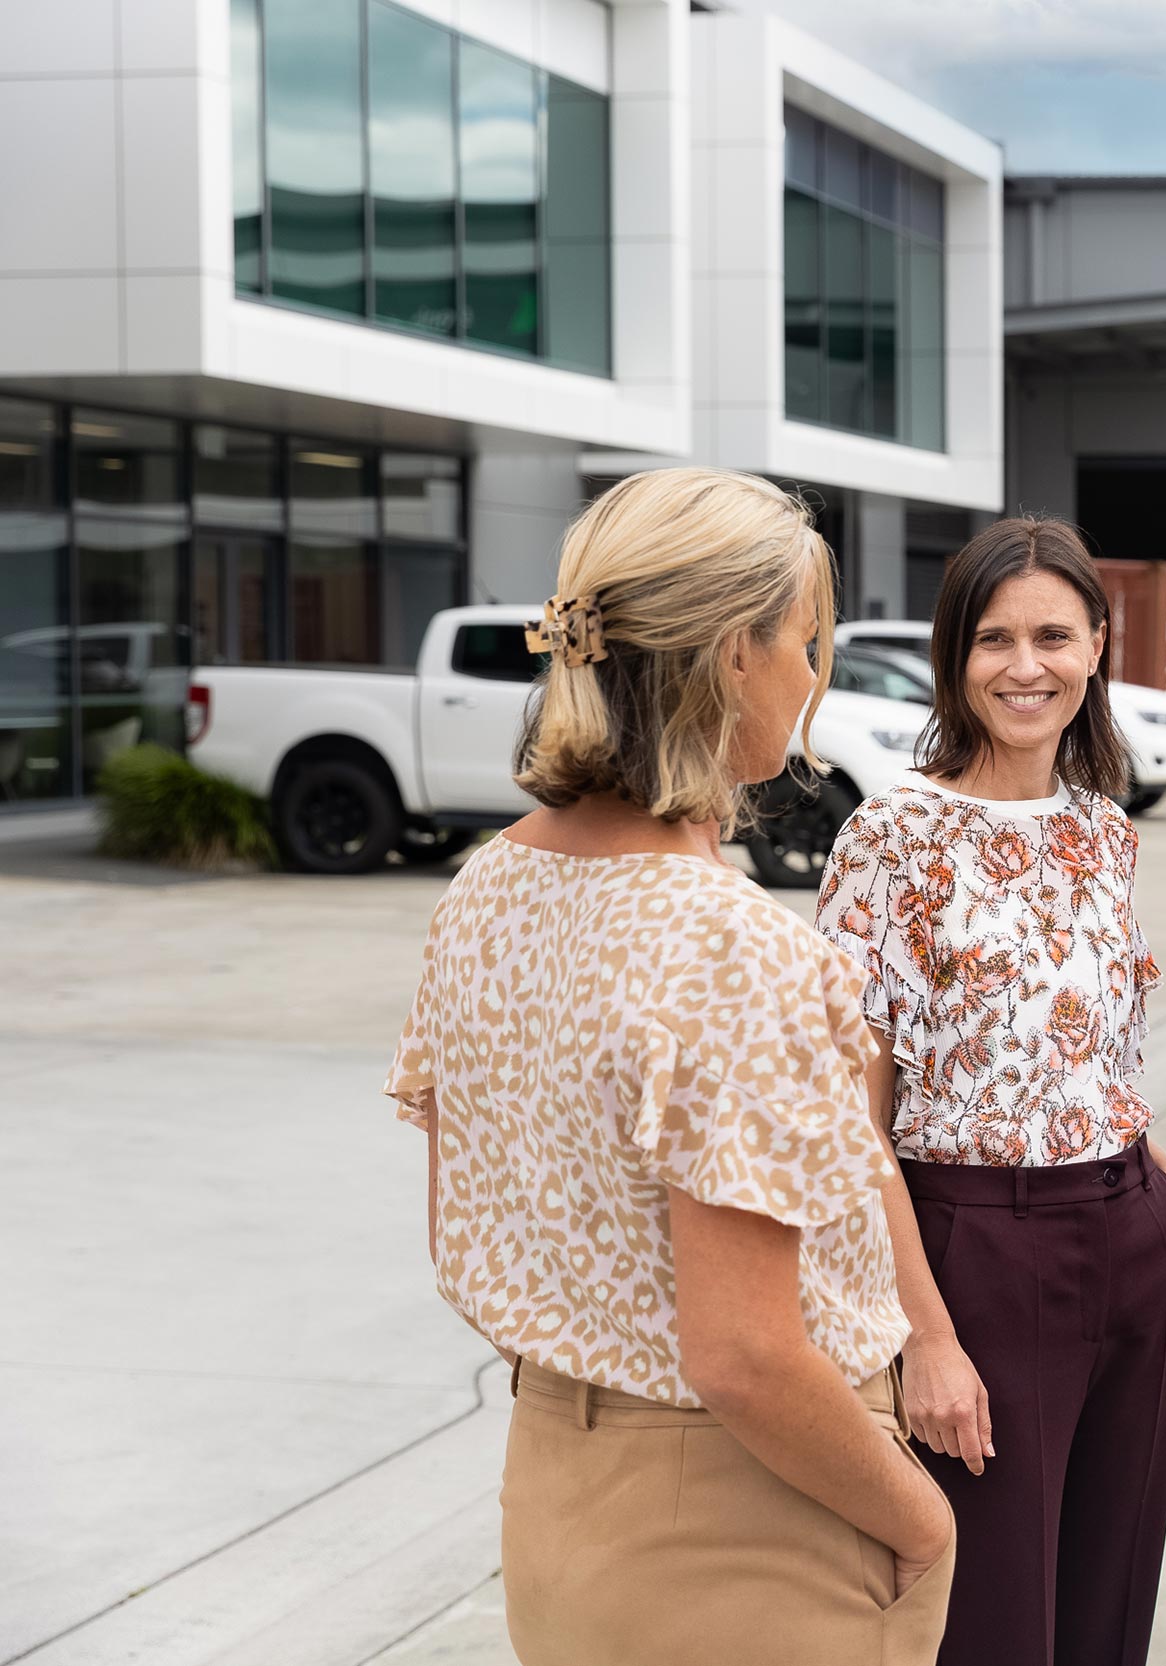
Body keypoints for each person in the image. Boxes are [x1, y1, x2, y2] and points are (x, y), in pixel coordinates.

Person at [385, 468, 954, 1666]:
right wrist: (922, 1519)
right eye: (804, 643)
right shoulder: (729, 946)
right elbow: (744, 1355)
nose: (813, 678)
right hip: (751, 1516)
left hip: (559, 1489)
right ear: (733, 658)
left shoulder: (483, 892)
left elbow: (463, 1235)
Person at [817, 515, 1166, 1666]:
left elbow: (1081, 1043)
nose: (1025, 666)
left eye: (1052, 636)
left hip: (1128, 1231)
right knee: (995, 1623)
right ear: (954, 658)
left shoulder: (1103, 830)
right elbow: (851, 1123)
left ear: (1095, 648)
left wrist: (1154, 1175)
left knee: (1107, 1604)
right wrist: (924, 1338)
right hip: (976, 1249)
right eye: (993, 640)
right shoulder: (891, 836)